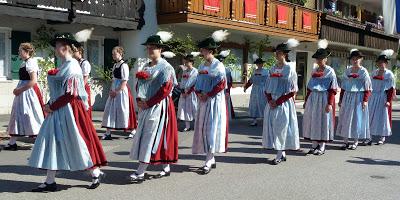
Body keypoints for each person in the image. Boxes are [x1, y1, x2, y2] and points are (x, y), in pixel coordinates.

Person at [29, 33, 107, 192]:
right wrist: (50, 103)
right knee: (53, 142)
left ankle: (95, 171)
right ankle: (50, 181)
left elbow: (71, 94)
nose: (55, 48)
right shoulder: (65, 65)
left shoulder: (72, 66)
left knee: (77, 141)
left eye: (57, 45)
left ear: (64, 47)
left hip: (70, 110)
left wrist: (52, 106)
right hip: (59, 109)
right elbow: (61, 91)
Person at [129, 32, 178, 183]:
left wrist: (148, 103)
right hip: (146, 105)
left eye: (153, 48)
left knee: (151, 136)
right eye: (148, 48)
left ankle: (140, 172)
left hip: (159, 106)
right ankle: (166, 166)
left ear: (160, 50)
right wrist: (139, 98)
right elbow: (140, 84)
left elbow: (166, 89)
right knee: (153, 135)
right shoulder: (146, 65)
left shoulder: (166, 67)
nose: (150, 51)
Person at [192, 30, 229, 175]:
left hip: (214, 101)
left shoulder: (218, 65)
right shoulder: (201, 66)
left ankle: (209, 158)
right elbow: (197, 81)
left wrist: (208, 94)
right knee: (203, 128)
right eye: (201, 50)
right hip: (203, 101)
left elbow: (221, 84)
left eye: (204, 50)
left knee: (211, 129)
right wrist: (199, 93)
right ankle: (210, 158)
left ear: (210, 51)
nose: (202, 52)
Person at [262, 38, 300, 165]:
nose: (276, 55)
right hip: (272, 102)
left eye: (279, 53)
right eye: (276, 53)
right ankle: (281, 152)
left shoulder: (289, 70)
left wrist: (277, 101)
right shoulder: (272, 69)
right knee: (273, 127)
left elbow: (292, 90)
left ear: (284, 54)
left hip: (283, 102)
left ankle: (279, 153)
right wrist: (269, 100)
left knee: (281, 128)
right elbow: (267, 87)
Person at [4, 43, 45, 151]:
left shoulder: (31, 62)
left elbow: (33, 80)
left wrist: (20, 90)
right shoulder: (25, 62)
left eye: (20, 50)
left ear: (26, 51)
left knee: (31, 115)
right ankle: (12, 143)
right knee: (17, 115)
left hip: (29, 93)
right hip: (23, 92)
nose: (18, 53)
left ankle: (41, 142)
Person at [303, 39, 338, 155]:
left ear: (326, 59)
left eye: (321, 59)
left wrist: (329, 103)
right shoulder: (314, 70)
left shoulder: (330, 71)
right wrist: (306, 99)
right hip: (313, 98)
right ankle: (314, 145)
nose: (319, 61)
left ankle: (322, 146)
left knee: (323, 121)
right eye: (317, 58)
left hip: (324, 98)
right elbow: (310, 87)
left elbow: (333, 89)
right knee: (313, 120)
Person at [336, 49, 372, 150]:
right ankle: (345, 141)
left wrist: (365, 100)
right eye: (353, 59)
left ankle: (355, 141)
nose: (355, 61)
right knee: (345, 117)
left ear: (361, 60)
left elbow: (367, 88)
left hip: (358, 97)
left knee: (356, 118)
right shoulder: (347, 71)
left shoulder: (363, 71)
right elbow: (343, 86)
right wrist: (340, 99)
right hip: (348, 96)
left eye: (357, 59)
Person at [101, 46, 137, 140]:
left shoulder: (124, 65)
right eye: (112, 54)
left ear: (120, 53)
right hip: (114, 89)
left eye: (114, 53)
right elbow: (113, 79)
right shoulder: (115, 65)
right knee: (109, 110)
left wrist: (116, 91)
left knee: (124, 111)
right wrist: (111, 90)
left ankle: (133, 130)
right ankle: (108, 132)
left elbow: (124, 81)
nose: (113, 55)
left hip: (121, 90)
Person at [369, 49, 395, 145]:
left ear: (386, 63)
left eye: (383, 62)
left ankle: (382, 136)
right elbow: (369, 85)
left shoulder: (389, 74)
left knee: (382, 117)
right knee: (370, 116)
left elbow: (391, 89)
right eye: (379, 62)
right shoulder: (374, 73)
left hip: (383, 97)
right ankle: (369, 136)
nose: (381, 64)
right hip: (373, 97)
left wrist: (388, 101)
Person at [244, 54, 269, 126]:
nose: (259, 65)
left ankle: (265, 119)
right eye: (258, 64)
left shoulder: (266, 72)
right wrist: (246, 87)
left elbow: (268, 81)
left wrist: (269, 90)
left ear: (262, 64)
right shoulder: (254, 71)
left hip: (262, 89)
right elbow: (251, 80)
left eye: (260, 63)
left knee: (262, 103)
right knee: (254, 104)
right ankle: (254, 120)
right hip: (255, 90)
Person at [177, 53, 199, 132]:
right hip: (184, 93)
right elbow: (182, 81)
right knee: (184, 108)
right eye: (185, 62)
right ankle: (187, 126)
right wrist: (182, 91)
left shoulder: (195, 71)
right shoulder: (185, 71)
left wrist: (188, 92)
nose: (185, 63)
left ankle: (197, 125)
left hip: (192, 92)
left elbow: (195, 83)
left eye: (187, 62)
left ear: (191, 62)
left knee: (194, 108)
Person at [73, 45, 92, 118]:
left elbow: (85, 78)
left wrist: (80, 89)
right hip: (76, 87)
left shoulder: (85, 63)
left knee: (84, 106)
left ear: (80, 52)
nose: (73, 53)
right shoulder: (75, 63)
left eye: (75, 51)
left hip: (83, 87)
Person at [216, 50, 235, 119]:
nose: (220, 61)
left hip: (223, 89)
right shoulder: (213, 69)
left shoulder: (227, 70)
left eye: (221, 60)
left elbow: (229, 82)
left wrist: (227, 92)